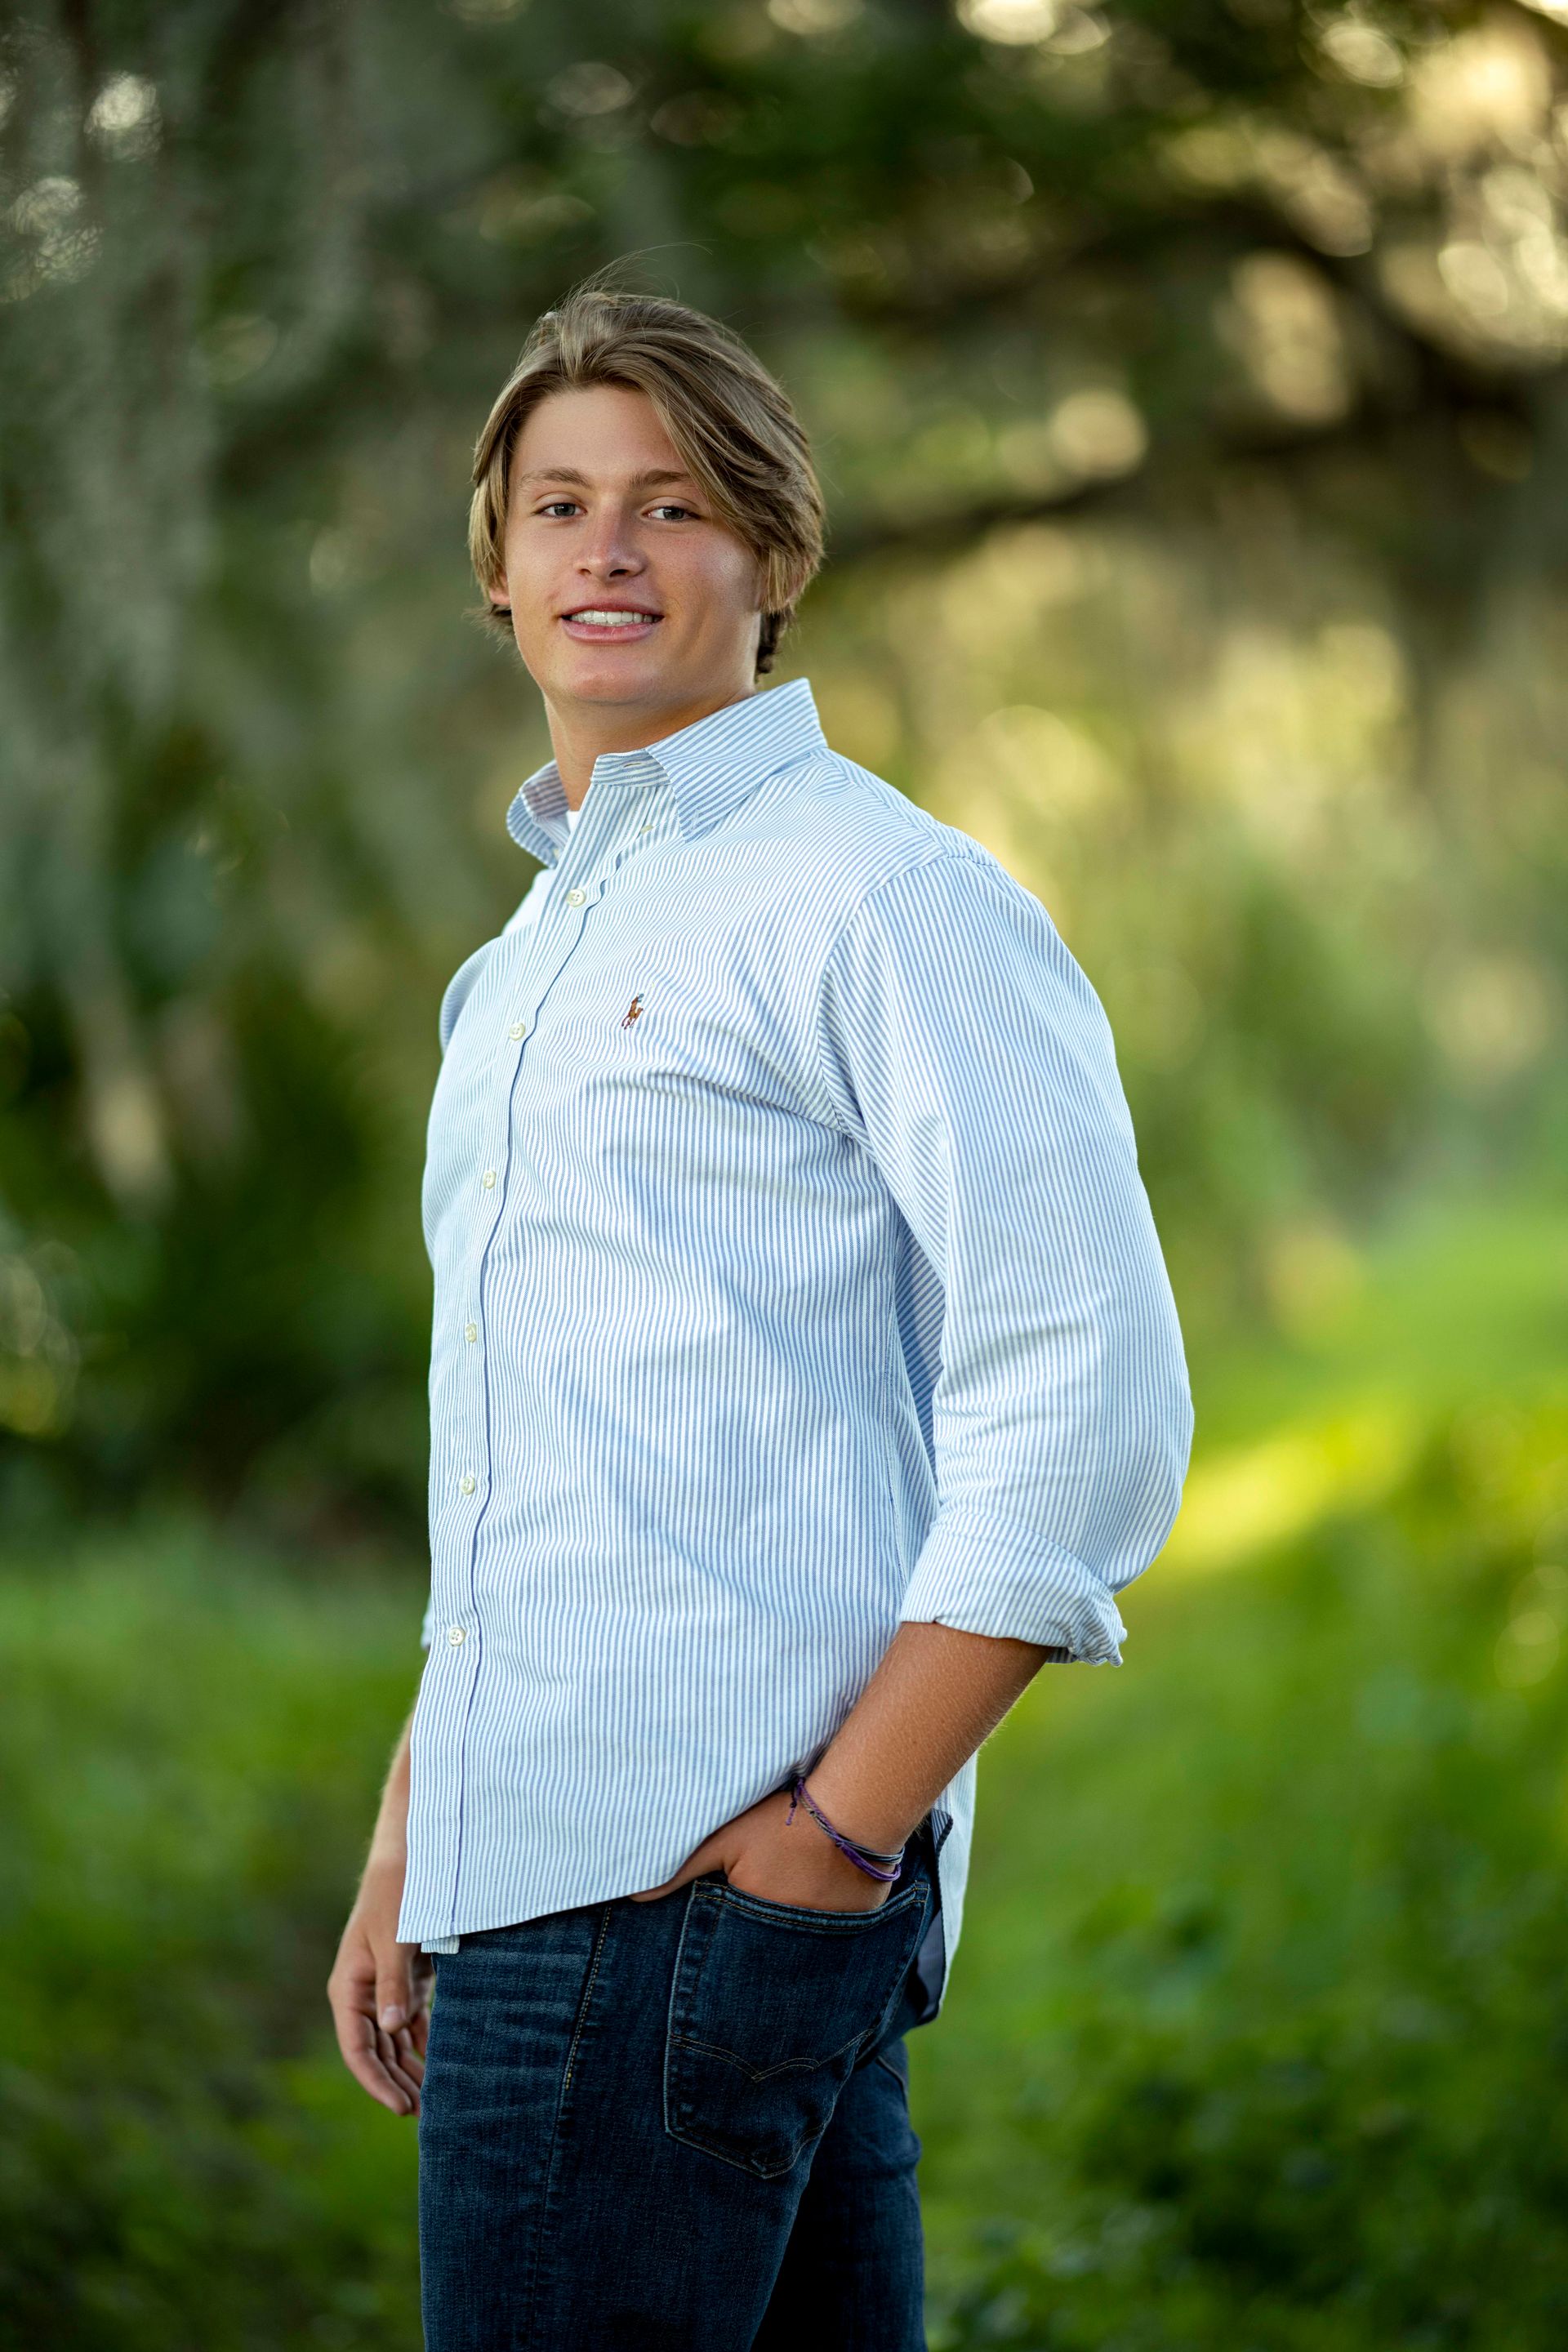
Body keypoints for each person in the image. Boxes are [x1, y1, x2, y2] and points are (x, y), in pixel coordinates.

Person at [327, 275, 1194, 2350]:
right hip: (541, 1875)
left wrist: (833, 1838)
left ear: (776, 552)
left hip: (703, 1888)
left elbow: (1081, 1390)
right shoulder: (517, 970)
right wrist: (414, 1833)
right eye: (558, 507)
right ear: (498, 565)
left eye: (673, 503)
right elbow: (533, 1449)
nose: (608, 553)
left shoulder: (882, 895)